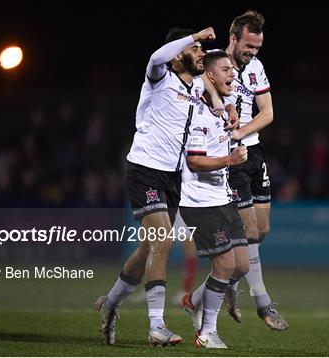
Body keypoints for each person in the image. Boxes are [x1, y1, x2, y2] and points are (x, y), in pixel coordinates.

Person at [94, 27, 237, 347]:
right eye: (196, 49)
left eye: (201, 49)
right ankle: (156, 325)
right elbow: (156, 56)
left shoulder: (195, 89)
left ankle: (110, 303)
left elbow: (214, 95)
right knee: (163, 239)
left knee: (148, 248)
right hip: (145, 170)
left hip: (173, 178)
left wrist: (225, 106)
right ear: (178, 54)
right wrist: (195, 35)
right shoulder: (159, 78)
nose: (201, 53)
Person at [178, 50, 250, 348]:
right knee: (223, 266)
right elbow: (194, 161)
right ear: (209, 76)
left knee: (242, 266)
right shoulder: (196, 112)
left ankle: (193, 300)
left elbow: (220, 97)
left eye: (233, 69)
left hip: (222, 198)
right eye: (225, 69)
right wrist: (230, 160)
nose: (232, 73)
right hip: (200, 202)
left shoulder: (220, 108)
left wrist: (229, 107)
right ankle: (207, 333)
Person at [223, 10, 288, 331]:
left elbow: (268, 112)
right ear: (233, 38)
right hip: (227, 156)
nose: (252, 53)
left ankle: (226, 288)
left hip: (254, 151)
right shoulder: (214, 65)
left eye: (257, 48)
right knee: (248, 232)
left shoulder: (256, 68)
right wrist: (229, 136)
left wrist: (241, 131)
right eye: (248, 46)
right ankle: (263, 302)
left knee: (261, 231)